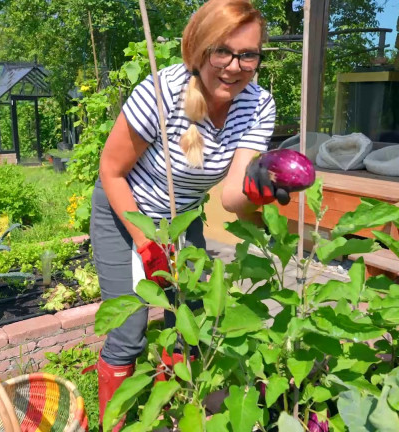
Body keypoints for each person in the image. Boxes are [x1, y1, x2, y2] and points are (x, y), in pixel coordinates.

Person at [88, 0, 282, 428]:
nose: (235, 66)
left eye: (248, 54)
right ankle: (113, 423)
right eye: (223, 52)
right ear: (198, 50)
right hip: (126, 212)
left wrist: (261, 190)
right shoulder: (160, 93)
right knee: (129, 329)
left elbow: (233, 197)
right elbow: (111, 170)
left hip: (182, 214)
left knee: (190, 319)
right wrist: (145, 243)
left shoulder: (258, 104)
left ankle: (180, 409)